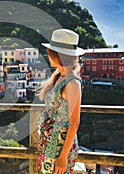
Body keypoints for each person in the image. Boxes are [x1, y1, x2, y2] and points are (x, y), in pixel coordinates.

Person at [37, 29, 85, 174]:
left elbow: (74, 122)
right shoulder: (59, 76)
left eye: (51, 52)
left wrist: (63, 157)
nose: (48, 55)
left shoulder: (72, 83)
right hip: (50, 144)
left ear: (58, 56)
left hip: (59, 147)